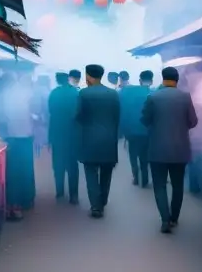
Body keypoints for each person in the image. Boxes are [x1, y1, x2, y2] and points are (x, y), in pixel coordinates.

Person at [142, 67, 199, 233]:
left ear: (163, 78)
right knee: (177, 185)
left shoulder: (152, 97)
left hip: (157, 149)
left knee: (159, 185)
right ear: (177, 79)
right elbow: (193, 121)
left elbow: (145, 120)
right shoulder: (185, 97)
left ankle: (165, 219)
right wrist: (181, 127)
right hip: (180, 149)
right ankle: (174, 218)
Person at [75, 64, 120, 218]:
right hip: (108, 139)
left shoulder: (83, 93)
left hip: (89, 139)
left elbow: (79, 116)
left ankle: (96, 206)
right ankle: (103, 200)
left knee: (91, 172)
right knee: (106, 172)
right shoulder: (113, 94)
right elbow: (117, 116)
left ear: (88, 76)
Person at [1, 74, 37, 218]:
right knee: (23, 170)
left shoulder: (9, 94)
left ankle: (18, 202)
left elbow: (4, 115)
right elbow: (30, 113)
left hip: (14, 136)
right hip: (22, 137)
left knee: (16, 171)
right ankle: (21, 202)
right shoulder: (23, 94)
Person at [48, 72, 80, 204]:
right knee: (72, 165)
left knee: (58, 165)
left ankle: (60, 192)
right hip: (72, 133)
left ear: (57, 80)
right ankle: (74, 195)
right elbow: (79, 112)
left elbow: (50, 111)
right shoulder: (75, 93)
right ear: (67, 79)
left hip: (57, 133)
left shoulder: (54, 94)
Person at [120, 70, 153, 187]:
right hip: (146, 131)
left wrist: (123, 130)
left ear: (139, 81)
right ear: (152, 81)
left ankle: (135, 176)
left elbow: (122, 112)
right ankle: (144, 179)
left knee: (133, 154)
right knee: (145, 156)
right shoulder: (153, 93)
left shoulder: (127, 92)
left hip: (131, 131)